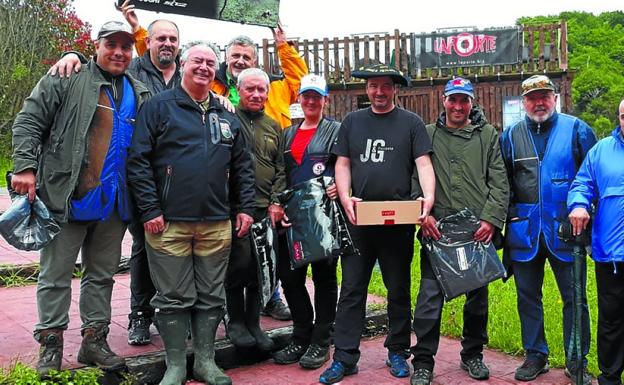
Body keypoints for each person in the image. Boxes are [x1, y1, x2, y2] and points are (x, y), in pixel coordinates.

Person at [10, 21, 151, 376]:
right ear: (97, 45)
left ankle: (94, 341)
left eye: (126, 46)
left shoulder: (140, 90)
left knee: (101, 275)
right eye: (112, 44)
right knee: (55, 274)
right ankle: (51, 345)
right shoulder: (67, 76)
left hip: (115, 203)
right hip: (66, 195)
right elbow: (28, 121)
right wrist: (25, 167)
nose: (119, 52)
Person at [127, 41, 255, 385]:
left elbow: (243, 166)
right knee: (172, 296)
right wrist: (150, 208)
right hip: (167, 222)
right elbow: (138, 161)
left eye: (211, 63)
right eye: (197, 60)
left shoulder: (226, 116)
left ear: (218, 70)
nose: (204, 67)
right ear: (183, 64)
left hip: (216, 223)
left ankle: (205, 361)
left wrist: (244, 209)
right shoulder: (157, 108)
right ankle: (175, 366)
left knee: (212, 295)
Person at [319, 64, 436, 384]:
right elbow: (342, 163)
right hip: (360, 219)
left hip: (397, 222)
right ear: (366, 89)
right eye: (373, 86)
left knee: (398, 288)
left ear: (395, 89)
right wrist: (345, 198)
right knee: (352, 288)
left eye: (385, 86)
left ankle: (398, 350)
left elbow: (423, 162)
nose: (379, 92)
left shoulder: (411, 124)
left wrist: (428, 199)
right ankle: (344, 356)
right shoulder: (352, 123)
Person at [409, 78, 509, 385]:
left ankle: (473, 355)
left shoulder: (488, 135)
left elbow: (499, 182)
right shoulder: (427, 134)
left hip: (476, 233)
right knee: (428, 299)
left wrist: (491, 221)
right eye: (453, 99)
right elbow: (415, 178)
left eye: (464, 100)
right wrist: (421, 214)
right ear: (444, 100)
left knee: (477, 299)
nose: (458, 106)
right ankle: (424, 361)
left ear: (472, 103)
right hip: (436, 232)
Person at [500, 74, 597, 384]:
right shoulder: (510, 136)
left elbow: (591, 178)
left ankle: (575, 358)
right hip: (524, 233)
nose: (538, 102)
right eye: (531, 97)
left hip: (567, 231)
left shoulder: (578, 130)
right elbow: (503, 185)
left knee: (575, 297)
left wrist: (589, 219)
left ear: (555, 97)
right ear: (523, 102)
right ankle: (535, 355)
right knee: (527, 296)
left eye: (544, 95)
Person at [272, 74, 341, 369]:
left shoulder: (337, 131)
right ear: (298, 98)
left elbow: (348, 165)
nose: (311, 101)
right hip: (290, 219)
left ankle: (321, 340)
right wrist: (276, 201)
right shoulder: (287, 134)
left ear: (326, 100)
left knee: (324, 278)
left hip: (322, 218)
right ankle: (301, 334)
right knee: (290, 278)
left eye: (317, 96)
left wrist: (341, 183)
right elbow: (278, 171)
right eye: (306, 96)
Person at [224, 68, 286, 351]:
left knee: (262, 269)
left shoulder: (273, 126)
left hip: (265, 209)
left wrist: (276, 201)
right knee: (237, 266)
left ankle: (254, 322)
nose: (257, 95)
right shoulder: (226, 119)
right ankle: (235, 322)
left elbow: (281, 169)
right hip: (233, 209)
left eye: (262, 90)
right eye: (250, 89)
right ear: (239, 90)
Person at [568, 99, 624, 385]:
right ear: (619, 118)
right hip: (612, 254)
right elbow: (582, 184)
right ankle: (610, 377)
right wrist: (578, 204)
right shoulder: (601, 151)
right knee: (611, 320)